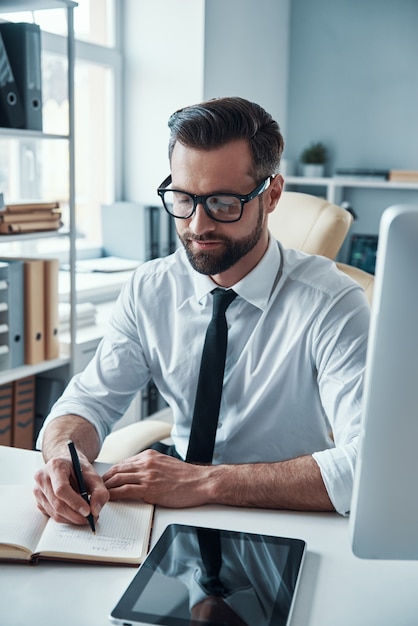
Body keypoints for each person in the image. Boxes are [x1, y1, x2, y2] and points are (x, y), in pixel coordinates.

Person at [34, 96, 370, 528]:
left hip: (287, 520)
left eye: (224, 203)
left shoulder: (333, 303)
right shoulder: (151, 288)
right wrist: (64, 454)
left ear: (272, 196)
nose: (197, 226)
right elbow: (88, 401)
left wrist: (206, 483)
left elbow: (368, 465)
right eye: (183, 198)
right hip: (173, 518)